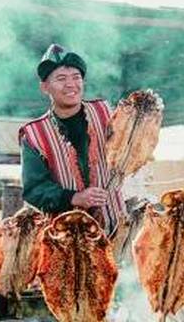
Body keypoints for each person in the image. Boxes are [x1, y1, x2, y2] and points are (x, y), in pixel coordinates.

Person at [19, 44, 126, 235]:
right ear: (44, 87)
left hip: (115, 230)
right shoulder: (34, 134)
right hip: (64, 238)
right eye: (61, 79)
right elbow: (34, 190)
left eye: (76, 77)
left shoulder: (106, 113)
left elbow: (131, 148)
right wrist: (74, 198)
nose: (71, 85)